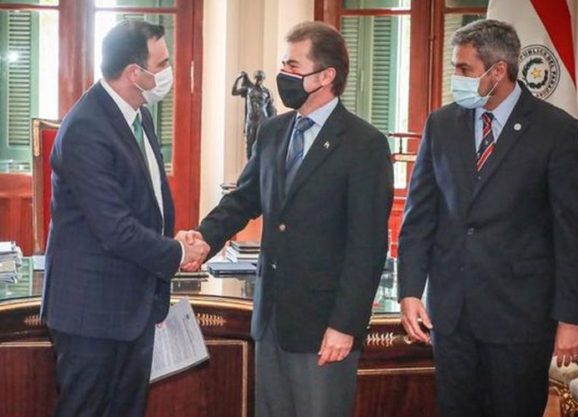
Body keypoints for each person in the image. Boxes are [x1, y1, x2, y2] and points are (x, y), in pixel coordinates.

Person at [184, 21, 393, 417]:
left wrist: (345, 325)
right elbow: (243, 199)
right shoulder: (273, 132)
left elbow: (368, 247)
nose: (283, 75)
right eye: (283, 64)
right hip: (271, 321)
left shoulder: (364, 144)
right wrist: (203, 240)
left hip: (324, 327)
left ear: (326, 76)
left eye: (293, 66)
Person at [397, 19, 578, 417]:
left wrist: (571, 319)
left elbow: (574, 235)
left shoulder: (556, 130)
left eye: (464, 69)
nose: (456, 78)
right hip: (451, 316)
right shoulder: (441, 124)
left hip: (520, 319)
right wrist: (410, 291)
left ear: (498, 70)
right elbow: (419, 217)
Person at [40, 20, 208, 417]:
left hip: (134, 308)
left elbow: (145, 201)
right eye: (162, 63)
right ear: (135, 73)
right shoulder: (86, 127)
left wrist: (175, 238)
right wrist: (176, 252)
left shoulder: (138, 115)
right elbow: (115, 228)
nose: (168, 72)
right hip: (92, 314)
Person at [231, 70, 277, 159]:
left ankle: (260, 165)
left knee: (262, 144)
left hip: (263, 120)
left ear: (263, 79)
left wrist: (273, 124)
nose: (258, 80)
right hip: (251, 121)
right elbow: (234, 92)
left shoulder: (267, 92)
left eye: (260, 78)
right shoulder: (248, 89)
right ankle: (250, 164)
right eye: (257, 78)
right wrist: (238, 78)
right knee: (249, 145)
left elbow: (271, 109)